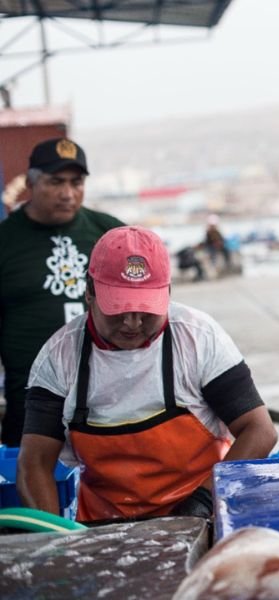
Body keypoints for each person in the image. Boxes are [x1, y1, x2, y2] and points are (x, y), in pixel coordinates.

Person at [16, 226, 276, 522]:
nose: (132, 323)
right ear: (89, 293)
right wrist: (56, 542)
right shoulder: (58, 357)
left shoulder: (199, 338)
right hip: (103, 524)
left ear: (167, 293)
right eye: (118, 309)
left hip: (204, 512)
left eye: (145, 310)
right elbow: (34, 463)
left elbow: (259, 431)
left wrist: (204, 502)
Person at [0, 138, 124, 447]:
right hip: (32, 405)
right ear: (30, 182)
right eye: (55, 182)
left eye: (76, 182)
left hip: (113, 401)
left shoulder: (110, 233)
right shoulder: (5, 241)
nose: (68, 193)